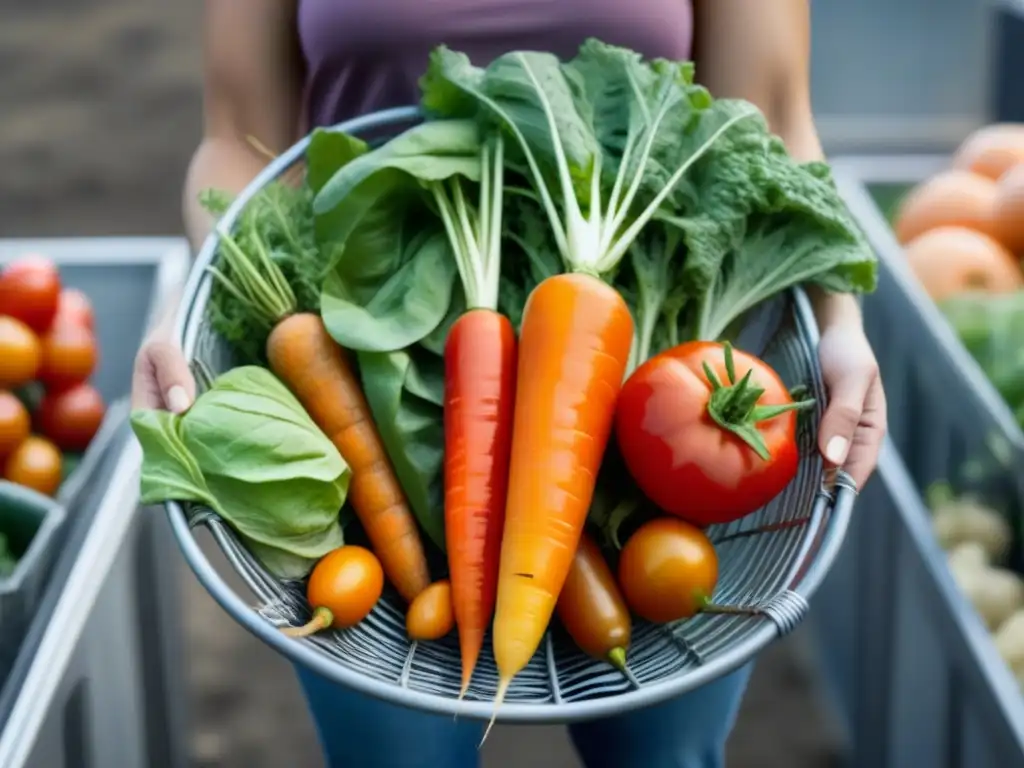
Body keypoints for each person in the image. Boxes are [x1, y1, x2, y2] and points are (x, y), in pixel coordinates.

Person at [132, 1, 887, 766]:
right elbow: (235, 140)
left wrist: (842, 325)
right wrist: (191, 302)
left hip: (671, 437)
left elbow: (772, 121)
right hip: (360, 414)